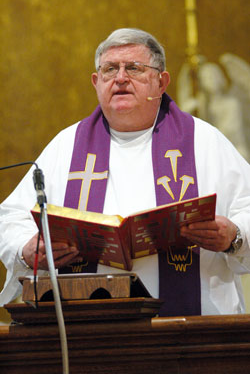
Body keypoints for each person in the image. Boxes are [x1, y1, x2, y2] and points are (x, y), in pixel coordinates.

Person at [0, 28, 250, 316]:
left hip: (189, 332)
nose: (120, 78)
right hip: (87, 332)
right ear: (96, 83)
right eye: (109, 69)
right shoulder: (66, 146)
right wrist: (26, 249)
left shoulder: (204, 141)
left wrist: (234, 236)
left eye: (134, 68)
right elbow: (11, 218)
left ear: (161, 82)